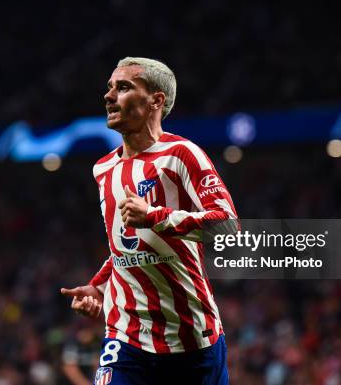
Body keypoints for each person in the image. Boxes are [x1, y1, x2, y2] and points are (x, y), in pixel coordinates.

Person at [61, 57, 237, 385]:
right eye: (110, 88)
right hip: (127, 337)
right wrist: (99, 287)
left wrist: (155, 216)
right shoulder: (102, 169)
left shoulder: (183, 155)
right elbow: (122, 243)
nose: (109, 96)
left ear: (156, 100)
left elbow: (227, 225)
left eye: (124, 87)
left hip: (192, 338)